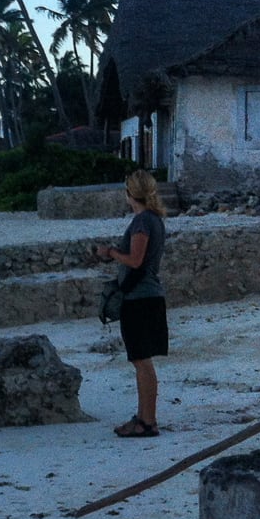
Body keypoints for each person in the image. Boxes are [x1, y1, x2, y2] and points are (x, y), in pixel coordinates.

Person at [95, 169, 168, 437]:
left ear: (129, 194)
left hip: (140, 298)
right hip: (148, 296)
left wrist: (111, 252)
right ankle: (145, 418)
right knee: (142, 361)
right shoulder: (155, 220)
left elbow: (136, 261)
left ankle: (146, 421)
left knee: (141, 361)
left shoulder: (142, 222)